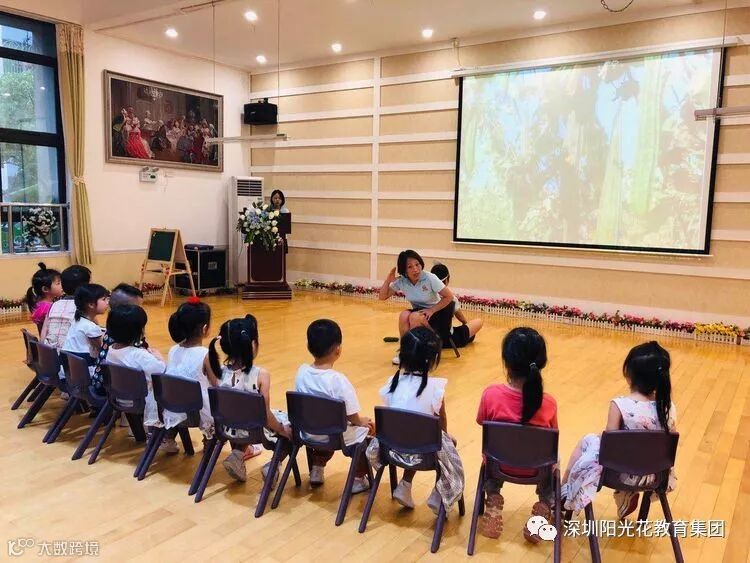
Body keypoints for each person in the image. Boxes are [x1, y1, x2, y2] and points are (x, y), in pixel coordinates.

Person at [561, 341, 677, 519]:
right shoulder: (668, 407)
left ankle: (564, 491)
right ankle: (626, 494)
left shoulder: (620, 405)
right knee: (627, 450)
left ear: (628, 374)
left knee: (589, 440)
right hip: (655, 476)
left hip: (618, 475)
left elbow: (610, 448)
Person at [367, 327, 464, 513]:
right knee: (448, 442)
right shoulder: (435, 388)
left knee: (412, 434)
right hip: (423, 454)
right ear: (433, 359)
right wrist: (445, 437)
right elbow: (441, 425)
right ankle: (439, 494)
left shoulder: (392, 383)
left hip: (390, 449)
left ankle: (405, 485)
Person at [476, 327, 558, 542]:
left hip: (499, 466)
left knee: (491, 457)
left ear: (507, 362)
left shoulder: (491, 395)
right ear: (541, 363)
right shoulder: (548, 403)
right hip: (536, 469)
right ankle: (544, 506)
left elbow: (481, 422)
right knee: (553, 463)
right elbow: (552, 438)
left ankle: (493, 496)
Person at [207, 315, 292, 483]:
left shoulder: (218, 372)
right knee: (291, 429)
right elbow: (265, 416)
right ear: (253, 344)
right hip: (255, 432)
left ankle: (237, 455)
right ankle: (273, 466)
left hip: (226, 428)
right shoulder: (261, 375)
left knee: (241, 414)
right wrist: (282, 429)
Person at [295, 319, 373, 493]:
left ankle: (317, 467)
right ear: (338, 350)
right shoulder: (338, 380)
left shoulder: (302, 372)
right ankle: (359, 478)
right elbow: (352, 415)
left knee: (323, 421)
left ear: (308, 346)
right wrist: (362, 421)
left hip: (306, 432)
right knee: (367, 431)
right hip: (333, 436)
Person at [378, 249, 456, 364]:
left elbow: (449, 297)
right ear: (404, 270)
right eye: (410, 267)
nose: (415, 269)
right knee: (404, 315)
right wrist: (387, 280)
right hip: (420, 312)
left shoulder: (430, 278)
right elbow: (382, 296)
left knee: (414, 317)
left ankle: (421, 353)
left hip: (438, 314)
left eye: (417, 264)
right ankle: (405, 352)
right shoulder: (403, 281)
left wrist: (432, 310)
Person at [162, 298, 213, 454]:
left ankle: (168, 438)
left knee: (178, 391)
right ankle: (209, 441)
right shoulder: (206, 354)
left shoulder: (173, 350)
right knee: (218, 401)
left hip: (171, 408)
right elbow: (216, 384)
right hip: (196, 414)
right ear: (205, 328)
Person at [106, 305, 165, 433]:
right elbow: (160, 372)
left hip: (118, 398)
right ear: (138, 331)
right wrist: (160, 358)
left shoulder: (110, 350)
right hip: (140, 402)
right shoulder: (139, 355)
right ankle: (161, 436)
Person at [91, 284, 145, 398]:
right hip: (114, 391)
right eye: (137, 308)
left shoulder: (112, 330)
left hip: (100, 383)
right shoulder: (128, 337)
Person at [430, 263, 483, 348]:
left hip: (429, 339)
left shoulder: (425, 297)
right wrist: (466, 325)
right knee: (478, 322)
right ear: (447, 280)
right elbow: (461, 319)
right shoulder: (451, 298)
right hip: (448, 340)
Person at [61, 284, 109, 372]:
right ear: (91, 304)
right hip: (83, 371)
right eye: (104, 299)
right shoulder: (91, 328)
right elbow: (102, 349)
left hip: (67, 369)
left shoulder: (77, 320)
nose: (107, 302)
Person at [41, 265, 91, 350]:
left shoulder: (54, 305)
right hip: (70, 356)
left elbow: (43, 335)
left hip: (49, 354)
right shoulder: (84, 307)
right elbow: (93, 336)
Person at [26, 262, 63, 334]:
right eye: (58, 283)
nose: (62, 285)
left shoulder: (42, 304)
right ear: (45, 289)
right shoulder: (47, 308)